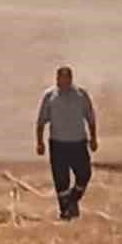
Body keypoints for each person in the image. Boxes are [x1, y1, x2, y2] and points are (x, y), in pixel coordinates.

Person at [36, 66, 98, 220]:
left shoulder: (81, 95)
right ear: (56, 79)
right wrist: (40, 142)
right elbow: (41, 121)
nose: (63, 82)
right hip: (58, 144)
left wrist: (94, 138)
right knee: (61, 180)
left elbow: (90, 118)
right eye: (60, 79)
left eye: (66, 79)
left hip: (78, 143)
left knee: (84, 174)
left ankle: (72, 199)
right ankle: (65, 211)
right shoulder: (50, 96)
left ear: (71, 79)